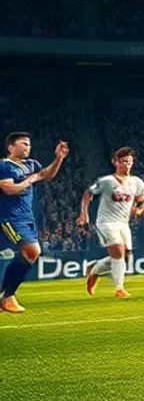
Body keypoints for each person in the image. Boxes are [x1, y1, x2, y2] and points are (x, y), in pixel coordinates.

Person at [0, 132, 69, 314]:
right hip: (9, 217)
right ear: (11, 147)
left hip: (27, 218)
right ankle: (7, 297)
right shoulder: (5, 165)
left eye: (29, 144)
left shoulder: (31, 164)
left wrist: (58, 158)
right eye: (23, 143)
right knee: (32, 250)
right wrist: (31, 179)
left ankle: (5, 296)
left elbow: (46, 175)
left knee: (29, 253)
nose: (27, 147)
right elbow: (8, 189)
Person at [79, 147, 144, 298]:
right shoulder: (107, 181)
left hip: (124, 224)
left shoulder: (136, 182)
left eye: (130, 162)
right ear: (115, 162)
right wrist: (83, 215)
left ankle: (95, 270)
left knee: (125, 258)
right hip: (106, 222)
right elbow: (88, 194)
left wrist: (140, 209)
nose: (127, 165)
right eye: (124, 161)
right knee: (118, 250)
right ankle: (119, 289)